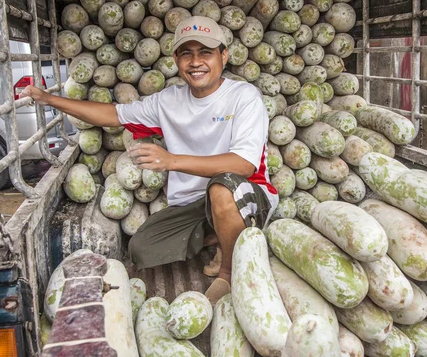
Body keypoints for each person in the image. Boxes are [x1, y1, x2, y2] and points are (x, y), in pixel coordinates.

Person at [20, 16, 278, 303]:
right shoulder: (169, 101)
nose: (196, 62)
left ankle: (228, 274)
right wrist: (51, 99)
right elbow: (113, 114)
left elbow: (243, 165)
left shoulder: (244, 97)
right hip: (195, 204)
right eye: (186, 54)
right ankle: (222, 234)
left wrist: (171, 161)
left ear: (223, 56)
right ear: (176, 59)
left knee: (222, 187)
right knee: (142, 248)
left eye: (205, 52)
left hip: (244, 193)